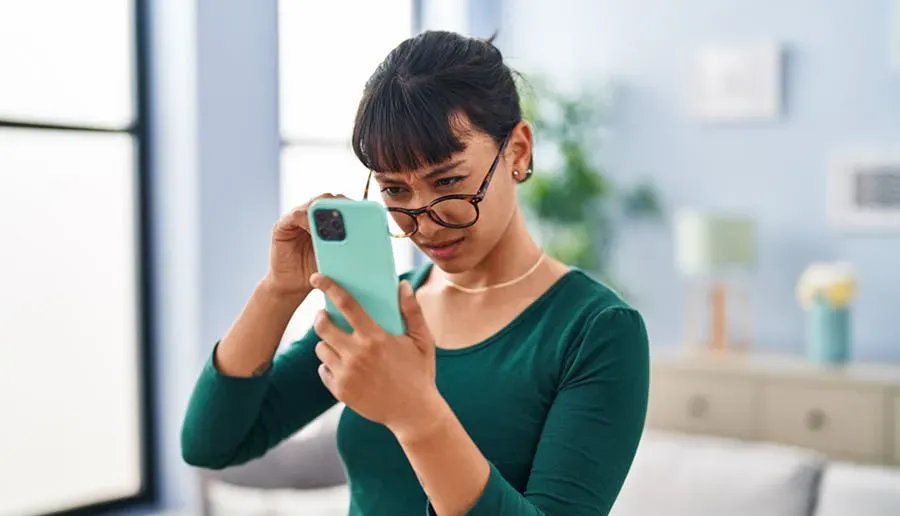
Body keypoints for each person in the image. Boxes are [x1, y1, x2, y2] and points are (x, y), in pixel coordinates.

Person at [181, 30, 649, 516]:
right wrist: (277, 291)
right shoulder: (382, 306)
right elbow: (212, 444)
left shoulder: (598, 331)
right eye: (395, 191)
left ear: (518, 151)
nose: (424, 220)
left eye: (448, 181)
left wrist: (415, 414)